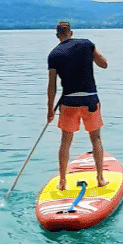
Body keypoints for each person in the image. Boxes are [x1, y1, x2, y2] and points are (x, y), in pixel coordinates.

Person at [47, 21, 109, 191]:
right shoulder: (86, 44)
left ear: (57, 35)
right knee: (95, 139)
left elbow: (52, 86)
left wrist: (49, 110)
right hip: (90, 100)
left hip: (68, 102)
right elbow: (104, 64)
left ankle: (62, 182)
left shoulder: (54, 54)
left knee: (65, 142)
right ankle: (100, 179)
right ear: (71, 33)